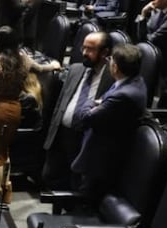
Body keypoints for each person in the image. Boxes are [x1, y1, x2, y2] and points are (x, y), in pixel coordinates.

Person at [0, 27, 60, 195]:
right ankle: (5, 189)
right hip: (13, 110)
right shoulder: (25, 61)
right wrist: (53, 65)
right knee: (4, 150)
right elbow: (41, 69)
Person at [71, 43, 148, 200]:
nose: (109, 62)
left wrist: (89, 101)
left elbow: (86, 117)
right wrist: (100, 103)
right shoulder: (133, 80)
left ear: (115, 68)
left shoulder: (124, 95)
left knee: (87, 197)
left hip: (102, 156)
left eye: (111, 59)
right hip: (106, 146)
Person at [42, 31, 114, 190]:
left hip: (86, 138)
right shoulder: (75, 69)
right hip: (62, 133)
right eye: (84, 48)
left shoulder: (112, 77)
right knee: (50, 178)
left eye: (91, 49)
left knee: (77, 185)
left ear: (105, 52)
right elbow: (60, 102)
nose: (84, 53)